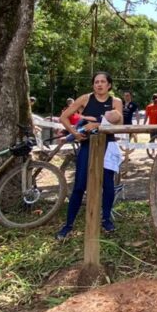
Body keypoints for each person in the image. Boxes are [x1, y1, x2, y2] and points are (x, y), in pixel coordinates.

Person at [56, 71, 123, 240]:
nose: (99, 84)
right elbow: (63, 117)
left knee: (107, 184)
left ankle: (106, 219)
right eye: (96, 82)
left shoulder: (116, 102)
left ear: (109, 85)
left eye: (102, 82)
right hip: (87, 145)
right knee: (79, 185)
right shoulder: (85, 99)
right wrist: (75, 133)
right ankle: (68, 225)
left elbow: (120, 125)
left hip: (107, 146)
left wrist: (98, 123)